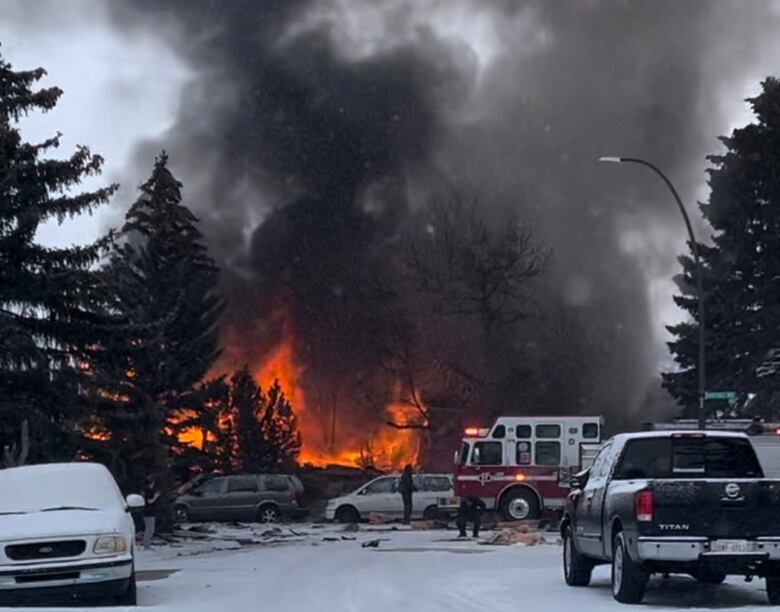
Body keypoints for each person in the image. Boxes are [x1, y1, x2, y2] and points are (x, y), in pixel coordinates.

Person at [142, 475, 161, 550]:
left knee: (149, 529)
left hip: (146, 512)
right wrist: (156, 496)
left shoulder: (144, 490)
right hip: (149, 512)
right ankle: (147, 546)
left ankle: (147, 544)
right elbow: (149, 501)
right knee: (149, 529)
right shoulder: (149, 491)